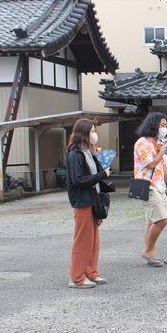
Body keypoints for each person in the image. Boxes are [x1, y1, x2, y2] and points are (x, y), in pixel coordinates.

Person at [65, 119, 111, 288]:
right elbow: (79, 179)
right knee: (83, 240)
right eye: (91, 131)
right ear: (83, 134)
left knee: (92, 240)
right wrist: (101, 176)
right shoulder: (75, 154)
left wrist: (96, 155)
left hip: (91, 198)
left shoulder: (87, 152)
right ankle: (77, 278)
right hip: (82, 200)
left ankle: (91, 272)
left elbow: (96, 170)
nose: (94, 134)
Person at [134, 112, 167, 266]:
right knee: (162, 220)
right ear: (153, 125)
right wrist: (162, 151)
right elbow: (150, 164)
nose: (164, 128)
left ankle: (151, 254)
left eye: (165, 125)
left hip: (159, 186)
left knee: (151, 222)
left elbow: (162, 165)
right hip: (147, 186)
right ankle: (148, 251)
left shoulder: (157, 144)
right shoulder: (142, 143)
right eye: (161, 125)